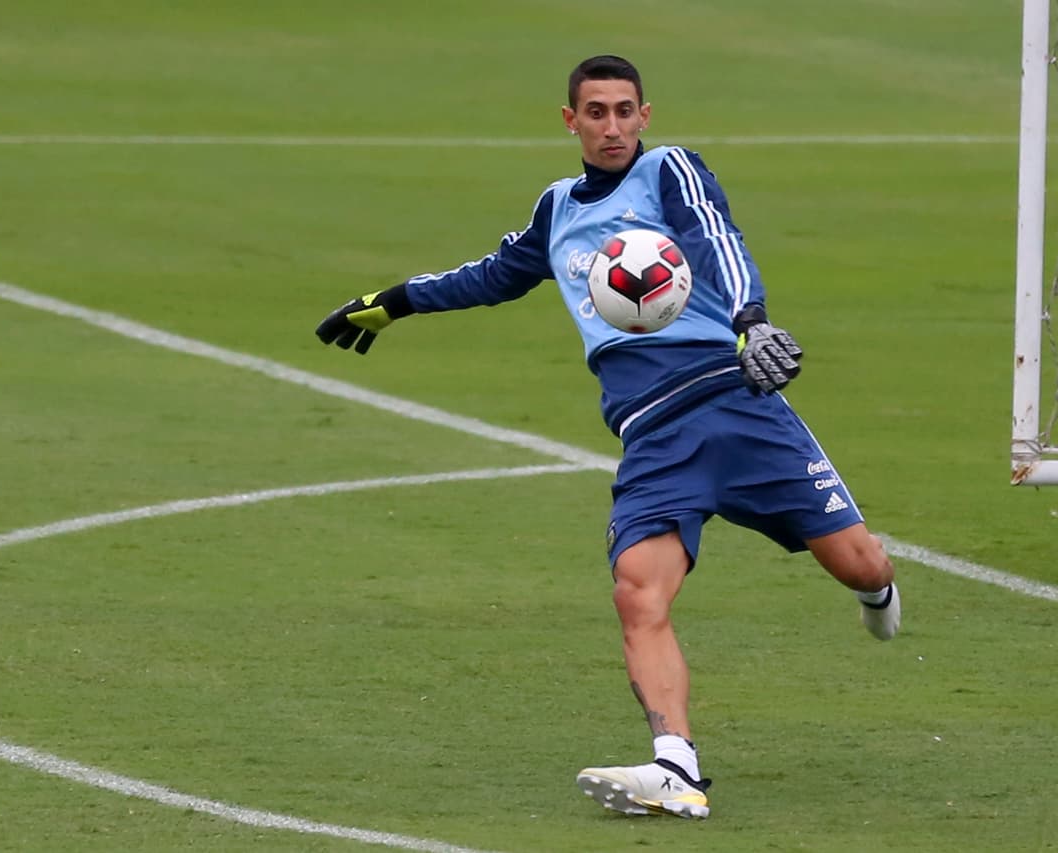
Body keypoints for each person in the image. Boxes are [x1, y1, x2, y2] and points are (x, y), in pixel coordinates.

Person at [315, 54, 899, 821]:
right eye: (597, 112)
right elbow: (493, 274)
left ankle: (879, 590)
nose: (613, 126)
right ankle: (676, 766)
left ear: (645, 115)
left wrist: (751, 320)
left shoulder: (669, 170)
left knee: (859, 561)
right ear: (571, 121)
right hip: (654, 434)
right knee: (637, 591)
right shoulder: (558, 208)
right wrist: (393, 302)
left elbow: (718, 240)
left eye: (626, 110)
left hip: (736, 404)